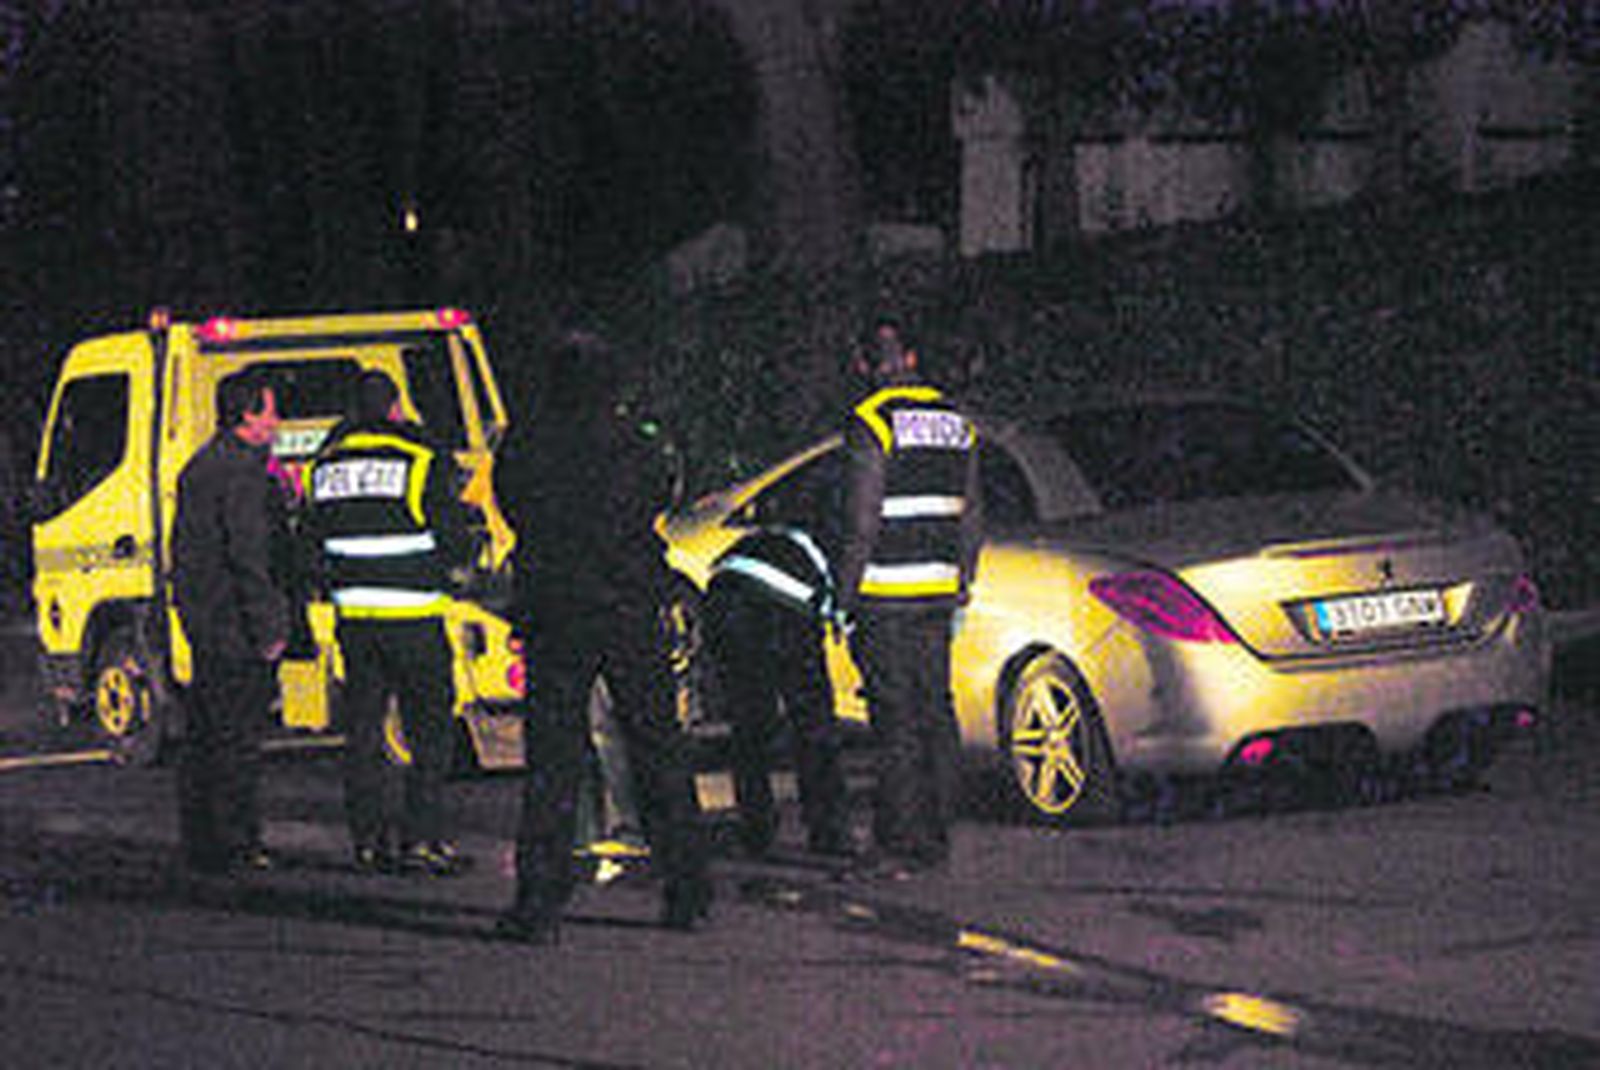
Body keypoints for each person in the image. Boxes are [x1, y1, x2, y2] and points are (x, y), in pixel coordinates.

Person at [494, 328, 712, 944]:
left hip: (557, 607)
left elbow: (515, 506)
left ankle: (540, 900)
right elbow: (655, 500)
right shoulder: (634, 444)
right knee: (657, 746)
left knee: (553, 759)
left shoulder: (528, 441)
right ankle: (687, 886)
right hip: (626, 603)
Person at [302, 369, 472, 877]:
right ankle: (421, 839)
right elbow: (453, 538)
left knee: (363, 732)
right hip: (413, 616)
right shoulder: (419, 458)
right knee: (429, 732)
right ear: (395, 409)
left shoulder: (325, 464)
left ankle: (368, 841)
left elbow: (310, 540)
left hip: (355, 619)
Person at [835, 319, 981, 879]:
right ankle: (939, 832)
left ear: (865, 365)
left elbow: (861, 520)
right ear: (914, 358)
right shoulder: (956, 422)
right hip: (937, 591)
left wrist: (844, 595)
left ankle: (898, 842)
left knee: (893, 719)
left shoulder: (872, 422)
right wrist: (961, 579)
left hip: (886, 591)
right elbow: (973, 513)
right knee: (934, 709)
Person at [171, 368, 290, 875]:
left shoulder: (199, 467)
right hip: (237, 628)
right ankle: (239, 841)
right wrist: (269, 629)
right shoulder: (242, 473)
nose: (278, 421)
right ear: (248, 415)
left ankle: (204, 841)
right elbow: (249, 556)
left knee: (206, 737)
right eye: (271, 410)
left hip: (206, 623)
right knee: (239, 741)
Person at [703, 525, 852, 859]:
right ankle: (827, 831)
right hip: (776, 607)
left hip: (723, 597)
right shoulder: (842, 563)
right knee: (813, 723)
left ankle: (756, 829)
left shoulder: (796, 538)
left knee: (750, 726)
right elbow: (838, 617)